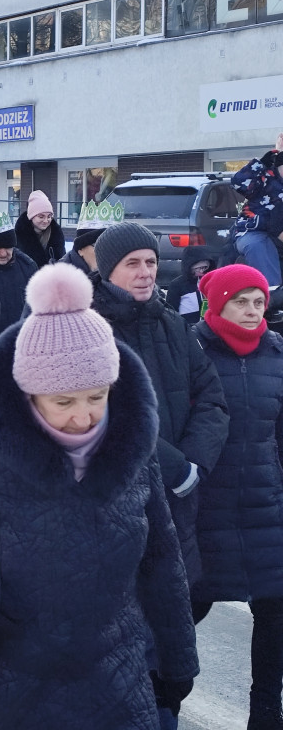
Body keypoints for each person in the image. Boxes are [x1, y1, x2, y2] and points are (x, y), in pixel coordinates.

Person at [0, 262, 199, 730]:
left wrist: (178, 661)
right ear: (28, 392)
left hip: (112, 683)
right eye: (63, 402)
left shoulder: (130, 441)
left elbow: (161, 559)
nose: (83, 417)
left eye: (96, 396)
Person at [91, 221, 229, 723]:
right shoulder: (89, 329)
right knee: (127, 633)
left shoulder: (172, 323)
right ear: (108, 271)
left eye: (150, 261)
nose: (146, 272)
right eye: (133, 263)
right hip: (118, 502)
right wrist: (172, 465)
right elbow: (102, 413)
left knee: (178, 616)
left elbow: (212, 397)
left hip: (178, 500)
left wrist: (195, 461)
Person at [189, 265, 283, 729]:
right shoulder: (192, 349)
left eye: (258, 302)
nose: (251, 312)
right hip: (207, 505)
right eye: (240, 301)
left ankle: (266, 709)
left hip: (267, 503)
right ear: (217, 303)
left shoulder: (277, 352)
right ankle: (159, 694)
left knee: (275, 609)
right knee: (186, 607)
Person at [230, 139, 283, 285]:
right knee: (258, 246)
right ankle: (271, 294)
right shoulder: (265, 176)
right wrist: (261, 163)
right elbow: (238, 183)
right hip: (254, 232)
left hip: (278, 234)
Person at [14, 190, 65, 270]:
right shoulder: (19, 234)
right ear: (31, 216)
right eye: (41, 217)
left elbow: (62, 261)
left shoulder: (56, 234)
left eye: (49, 216)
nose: (46, 220)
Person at [165, 246, 214, 325]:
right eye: (198, 268)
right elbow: (171, 311)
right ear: (190, 267)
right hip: (185, 325)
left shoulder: (206, 282)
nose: (202, 270)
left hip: (204, 324)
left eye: (205, 267)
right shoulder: (177, 285)